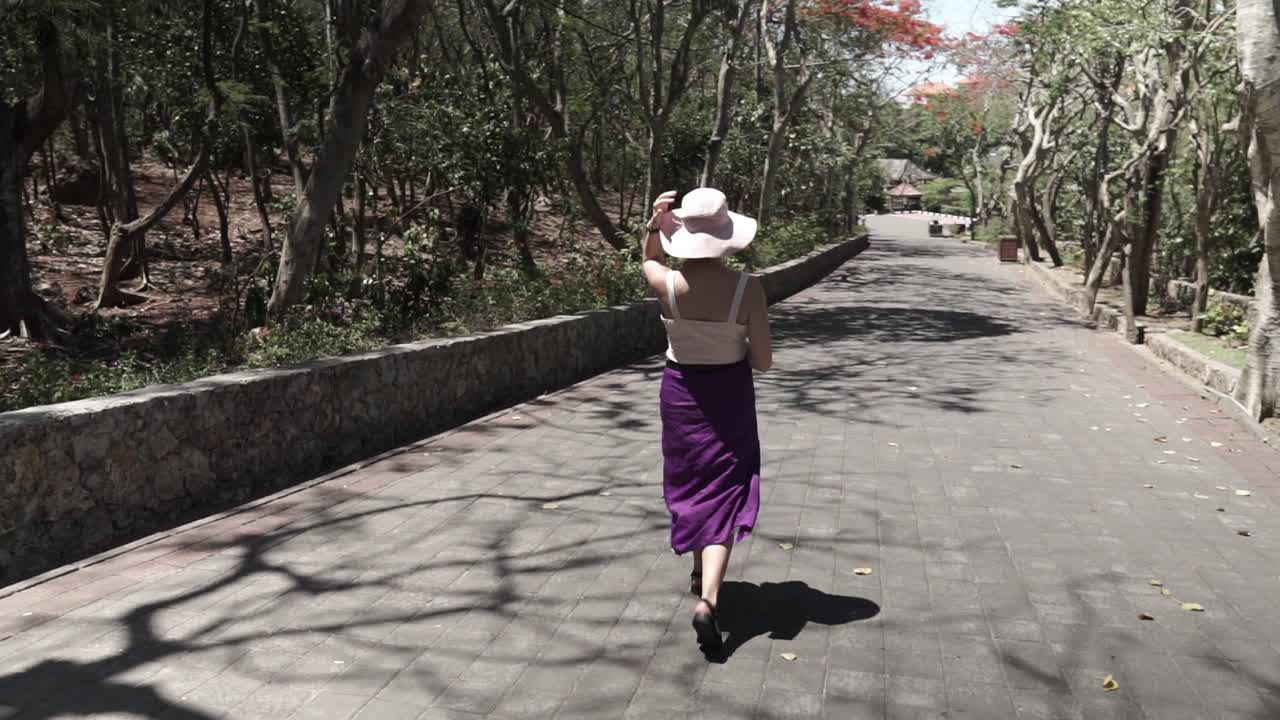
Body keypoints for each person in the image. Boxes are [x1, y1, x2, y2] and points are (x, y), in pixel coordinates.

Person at [640, 187, 772, 656]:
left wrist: (655, 223)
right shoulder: (747, 289)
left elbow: (649, 258)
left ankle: (700, 574)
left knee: (694, 483)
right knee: (727, 488)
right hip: (729, 395)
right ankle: (709, 599)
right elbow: (763, 362)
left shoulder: (667, 284)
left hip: (680, 395)